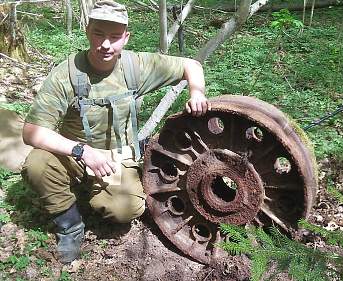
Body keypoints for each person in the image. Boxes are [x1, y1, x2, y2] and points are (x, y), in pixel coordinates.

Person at [21, 0, 210, 264]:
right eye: (98, 34)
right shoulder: (66, 73)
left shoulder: (136, 66)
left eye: (114, 37)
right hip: (76, 154)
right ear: (87, 31)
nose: (106, 45)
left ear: (126, 37)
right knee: (37, 165)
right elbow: (32, 132)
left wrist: (196, 92)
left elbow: (192, 65)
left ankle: (97, 194)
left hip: (118, 158)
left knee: (125, 210)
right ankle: (70, 223)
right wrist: (82, 151)